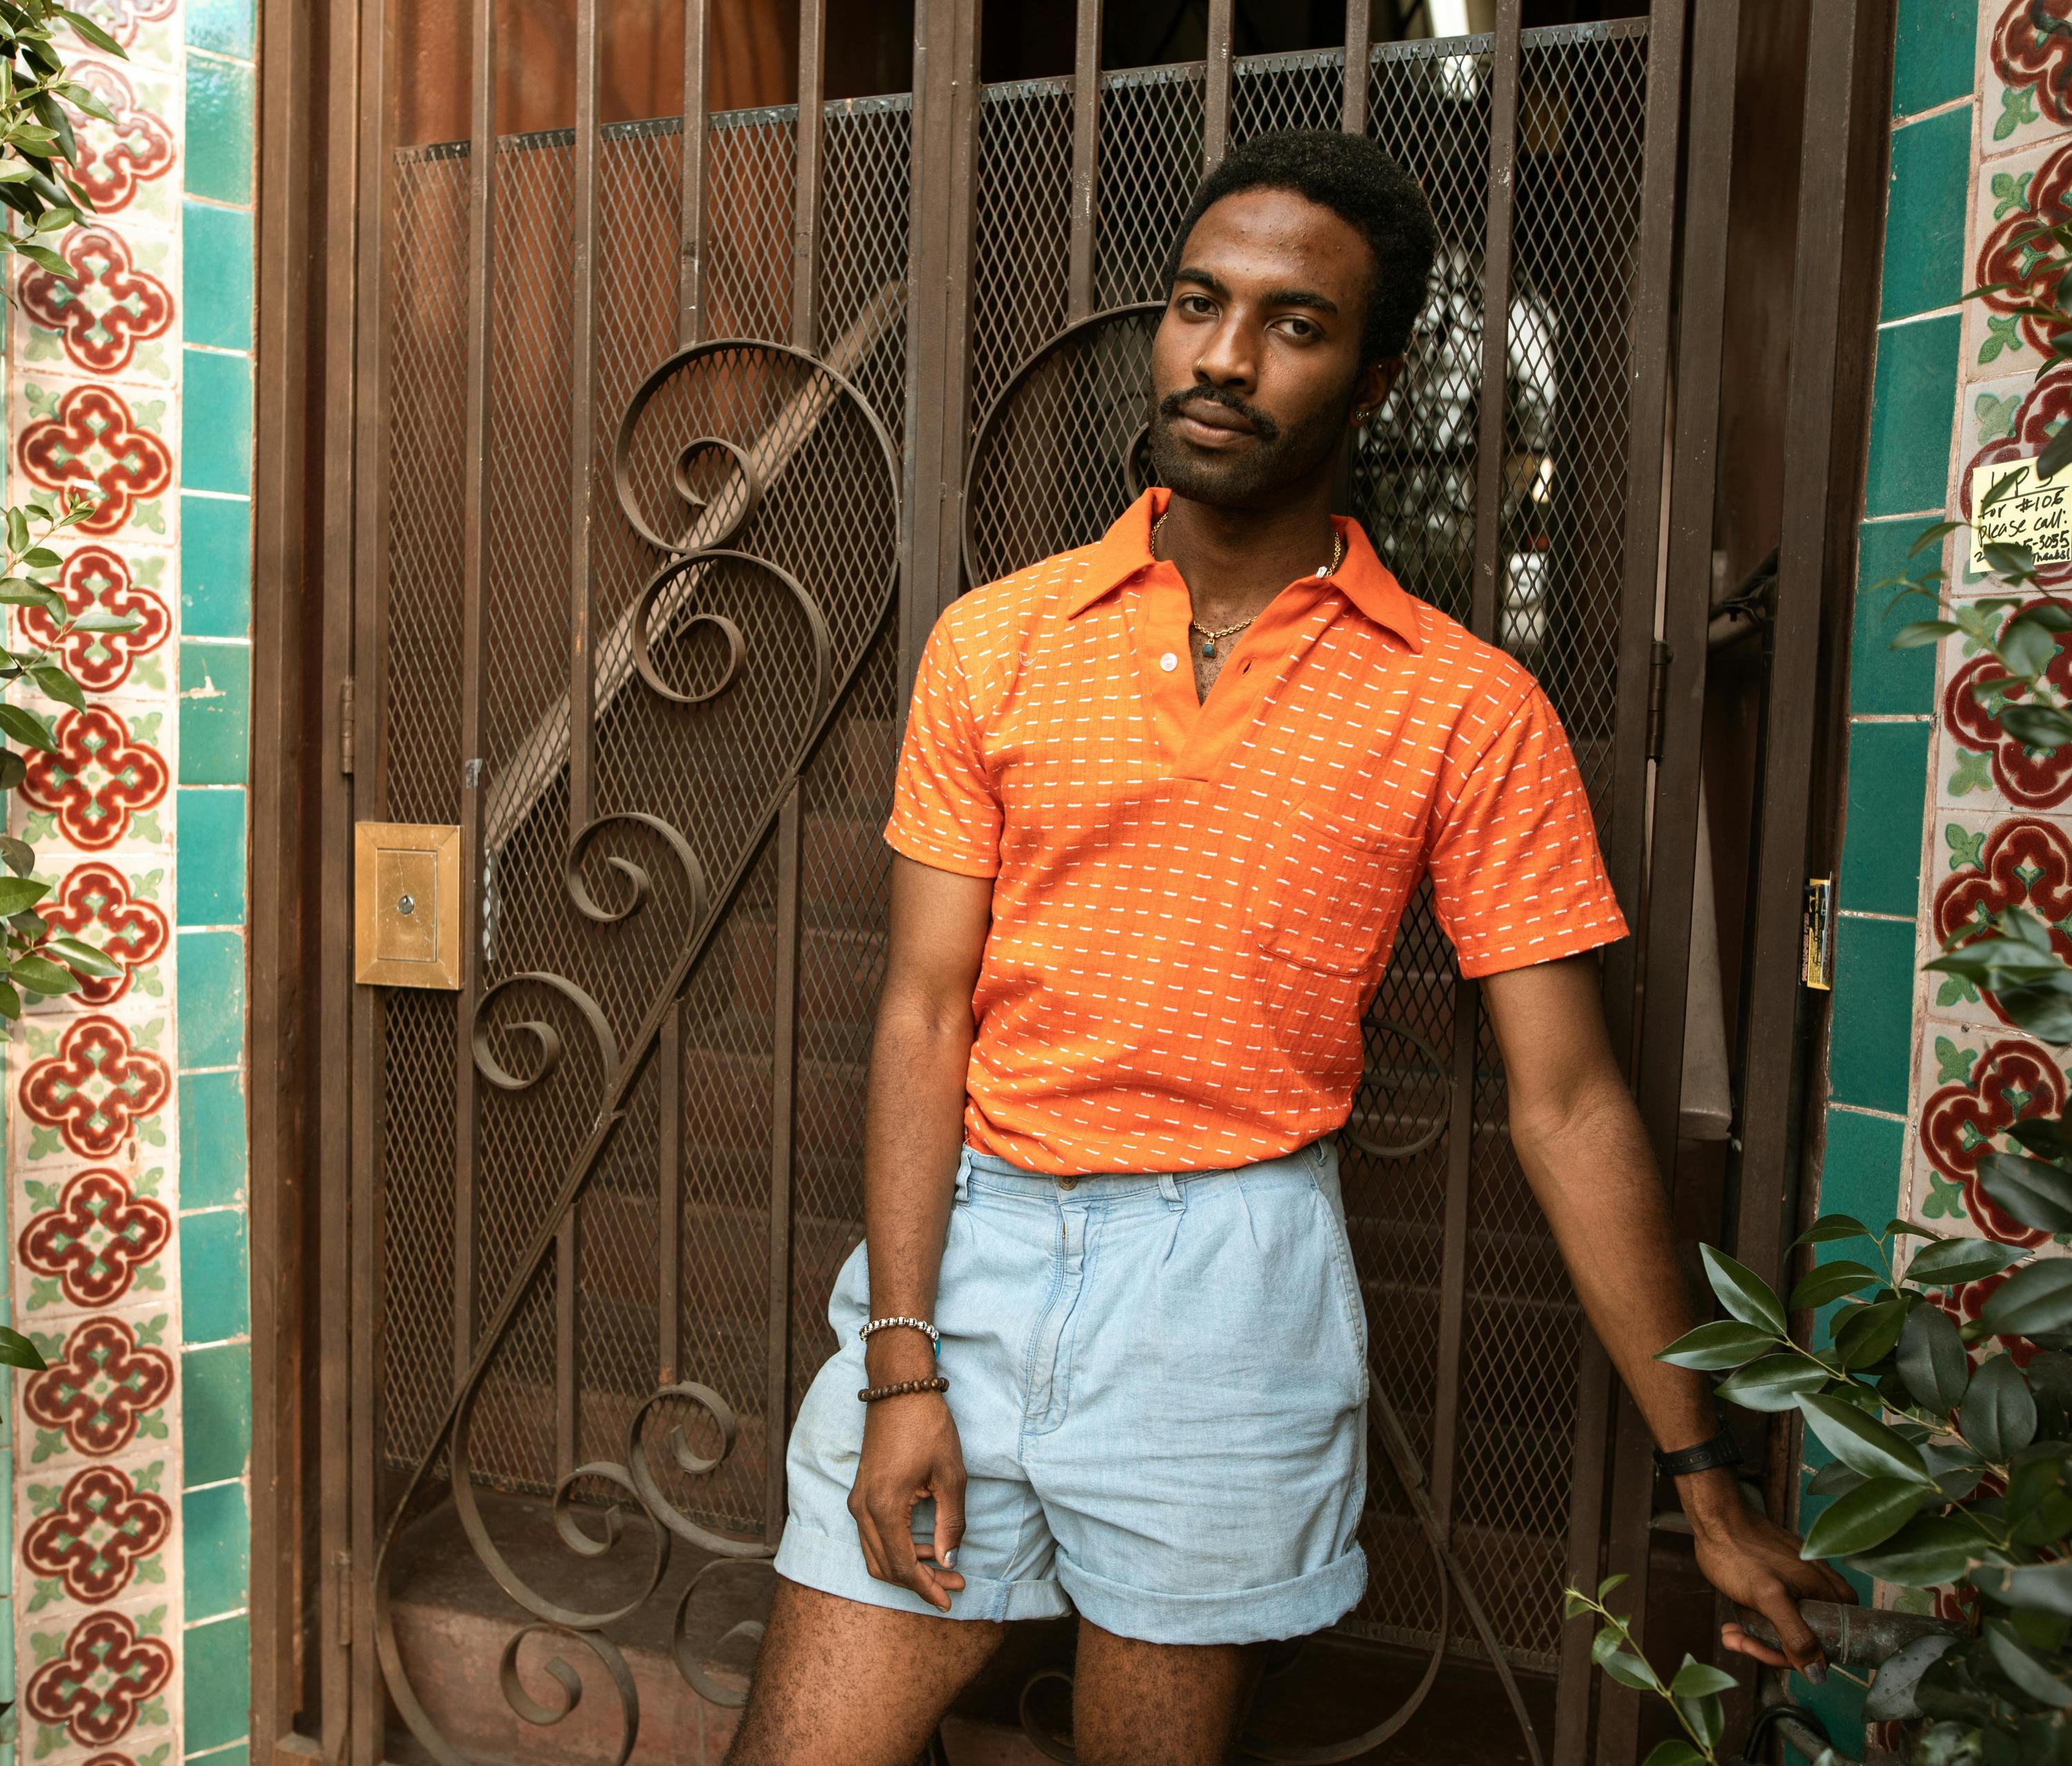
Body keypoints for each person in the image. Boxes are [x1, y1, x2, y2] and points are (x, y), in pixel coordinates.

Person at [720, 129, 1844, 1766]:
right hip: (971, 1255)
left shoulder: (1465, 704)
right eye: (1199, 304)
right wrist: (902, 1359)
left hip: (1229, 1290)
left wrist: (1705, 1477)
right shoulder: (1001, 637)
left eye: (1294, 324)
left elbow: (1574, 1102)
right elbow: (923, 1001)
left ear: (1376, 380)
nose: (1226, 356)